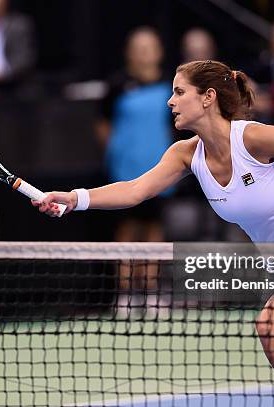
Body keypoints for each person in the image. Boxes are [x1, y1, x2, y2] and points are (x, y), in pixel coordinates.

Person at [32, 60, 274, 406]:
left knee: (271, 327)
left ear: (208, 97)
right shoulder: (185, 155)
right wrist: (75, 198)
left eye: (180, 92)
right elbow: (134, 190)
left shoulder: (254, 139)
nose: (170, 101)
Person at [96, 26, 174, 317]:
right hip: (124, 170)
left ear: (159, 52)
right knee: (126, 230)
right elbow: (103, 125)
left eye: (149, 47)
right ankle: (126, 296)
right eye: (138, 47)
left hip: (160, 170)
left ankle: (151, 292)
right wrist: (116, 154)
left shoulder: (171, 86)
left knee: (153, 230)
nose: (143, 53)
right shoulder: (116, 85)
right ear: (129, 52)